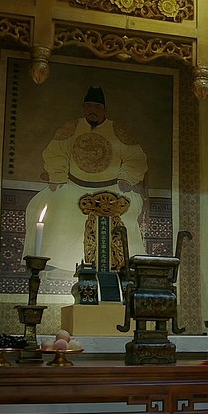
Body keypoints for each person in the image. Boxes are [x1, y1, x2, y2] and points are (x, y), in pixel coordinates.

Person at [23, 86, 148, 277]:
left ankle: (124, 263)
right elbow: (56, 154)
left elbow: (135, 158)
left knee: (128, 208)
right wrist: (57, 175)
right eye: (89, 106)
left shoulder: (118, 130)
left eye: (97, 107)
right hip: (74, 187)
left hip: (111, 190)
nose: (93, 111)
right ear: (83, 108)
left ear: (105, 110)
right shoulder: (70, 128)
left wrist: (126, 177)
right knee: (42, 203)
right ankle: (53, 260)